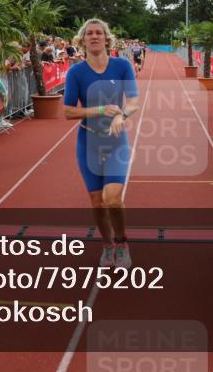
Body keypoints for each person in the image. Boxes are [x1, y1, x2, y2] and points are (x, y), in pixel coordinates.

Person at [63, 19, 139, 269]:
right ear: (82, 40)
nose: (94, 37)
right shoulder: (76, 72)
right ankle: (108, 247)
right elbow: (68, 111)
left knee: (113, 198)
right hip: (88, 143)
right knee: (96, 201)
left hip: (116, 142)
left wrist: (121, 115)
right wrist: (99, 110)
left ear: (107, 39)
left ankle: (122, 243)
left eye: (99, 33)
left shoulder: (122, 65)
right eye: (89, 34)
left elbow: (133, 101)